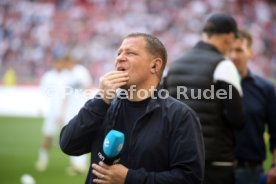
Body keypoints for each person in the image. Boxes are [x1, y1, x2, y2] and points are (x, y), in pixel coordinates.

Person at [60, 33, 205, 184]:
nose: (120, 58)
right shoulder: (103, 107)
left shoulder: (180, 115)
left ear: (155, 65)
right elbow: (69, 145)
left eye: (130, 53)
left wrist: (129, 178)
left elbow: (190, 178)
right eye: (119, 53)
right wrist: (100, 100)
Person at [164, 13, 245, 184]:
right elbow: (237, 119)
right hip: (215, 163)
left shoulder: (175, 64)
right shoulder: (224, 65)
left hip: (177, 159)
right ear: (229, 37)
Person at [228, 29, 276, 184]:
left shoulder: (266, 89)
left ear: (250, 52)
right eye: (229, 50)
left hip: (250, 172)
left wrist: (275, 165)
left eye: (239, 50)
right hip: (215, 171)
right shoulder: (210, 87)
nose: (233, 56)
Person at [62, 55, 93, 175]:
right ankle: (76, 165)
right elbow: (65, 94)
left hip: (81, 107)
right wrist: (63, 111)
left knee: (82, 135)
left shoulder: (81, 71)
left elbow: (88, 86)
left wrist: (88, 104)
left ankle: (80, 164)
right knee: (72, 135)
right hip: (70, 109)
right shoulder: (65, 74)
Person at [35, 58, 67, 171]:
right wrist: (41, 106)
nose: (59, 64)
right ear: (54, 63)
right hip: (53, 113)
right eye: (57, 62)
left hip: (67, 113)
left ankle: (78, 164)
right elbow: (43, 93)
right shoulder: (48, 76)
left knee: (75, 136)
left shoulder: (68, 75)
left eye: (61, 62)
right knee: (48, 136)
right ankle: (42, 160)